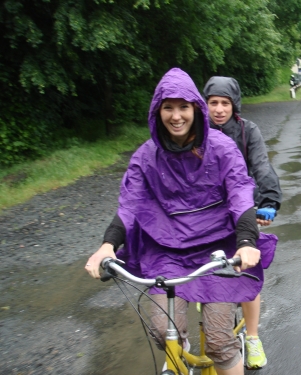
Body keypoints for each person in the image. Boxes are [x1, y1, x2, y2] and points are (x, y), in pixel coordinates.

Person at [84, 68, 278, 375]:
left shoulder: (223, 148)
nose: (176, 116)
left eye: (183, 107)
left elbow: (241, 193)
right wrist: (108, 246)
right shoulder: (146, 156)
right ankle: (180, 348)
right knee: (163, 332)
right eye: (168, 107)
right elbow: (130, 204)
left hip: (218, 249)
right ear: (157, 111)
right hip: (167, 251)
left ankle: (244, 340)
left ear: (195, 109)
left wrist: (246, 242)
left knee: (218, 342)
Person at [203, 76, 282, 369]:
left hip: (244, 207)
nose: (219, 109)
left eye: (225, 103)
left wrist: (270, 201)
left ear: (234, 105)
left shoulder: (248, 131)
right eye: (213, 103)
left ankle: (252, 337)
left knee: (247, 270)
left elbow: (261, 165)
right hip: (206, 213)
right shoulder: (195, 131)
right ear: (205, 104)